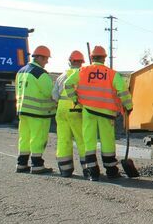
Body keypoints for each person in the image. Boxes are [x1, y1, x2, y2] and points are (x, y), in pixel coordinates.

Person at [65, 46, 132, 181]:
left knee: (89, 142)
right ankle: (112, 172)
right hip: (106, 114)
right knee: (107, 143)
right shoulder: (112, 74)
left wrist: (75, 99)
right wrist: (128, 107)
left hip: (88, 112)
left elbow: (68, 83)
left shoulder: (83, 71)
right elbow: (123, 91)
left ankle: (93, 173)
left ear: (91, 58)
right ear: (104, 58)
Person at [15, 45, 56, 174]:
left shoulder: (21, 71)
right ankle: (37, 165)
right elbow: (50, 93)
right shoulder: (41, 74)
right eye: (45, 59)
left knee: (24, 137)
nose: (47, 61)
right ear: (39, 57)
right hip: (38, 112)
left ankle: (21, 164)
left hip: (23, 110)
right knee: (38, 137)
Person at [52, 50, 86, 177]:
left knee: (63, 139)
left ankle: (65, 169)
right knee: (82, 139)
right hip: (76, 109)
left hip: (61, 111)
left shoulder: (61, 76)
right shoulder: (82, 75)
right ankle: (88, 169)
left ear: (70, 61)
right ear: (81, 63)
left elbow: (54, 96)